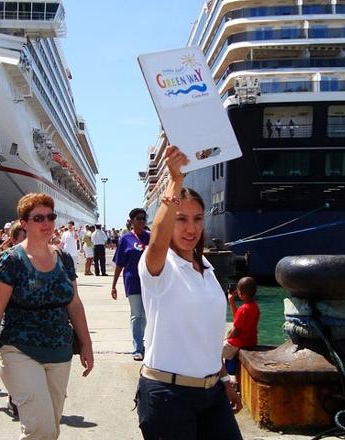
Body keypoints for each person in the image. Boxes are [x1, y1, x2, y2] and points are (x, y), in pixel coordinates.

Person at [136, 146, 242, 439]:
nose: (190, 228)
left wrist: (224, 378)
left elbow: (204, 333)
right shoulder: (158, 266)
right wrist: (175, 181)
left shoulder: (204, 266)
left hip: (212, 393)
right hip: (168, 395)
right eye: (181, 219)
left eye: (197, 218)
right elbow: (157, 240)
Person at [0, 193, 94, 440]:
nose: (47, 223)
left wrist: (86, 343)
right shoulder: (10, 261)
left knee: (50, 428)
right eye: (38, 218)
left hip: (60, 351)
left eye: (50, 217)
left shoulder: (63, 259)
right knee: (40, 429)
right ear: (24, 223)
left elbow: (74, 304)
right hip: (18, 349)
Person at [111, 208, 150, 361]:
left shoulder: (150, 237)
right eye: (139, 218)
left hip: (150, 282)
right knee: (136, 315)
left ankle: (142, 343)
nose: (141, 221)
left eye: (143, 218)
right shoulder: (125, 239)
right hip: (132, 281)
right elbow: (119, 264)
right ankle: (137, 349)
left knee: (146, 316)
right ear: (132, 221)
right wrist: (113, 285)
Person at [223, 277, 260, 374]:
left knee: (215, 352)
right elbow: (238, 320)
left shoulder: (243, 309)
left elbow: (236, 330)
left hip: (238, 342)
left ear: (239, 293)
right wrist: (231, 302)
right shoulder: (254, 307)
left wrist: (226, 339)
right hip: (251, 341)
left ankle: (221, 377)